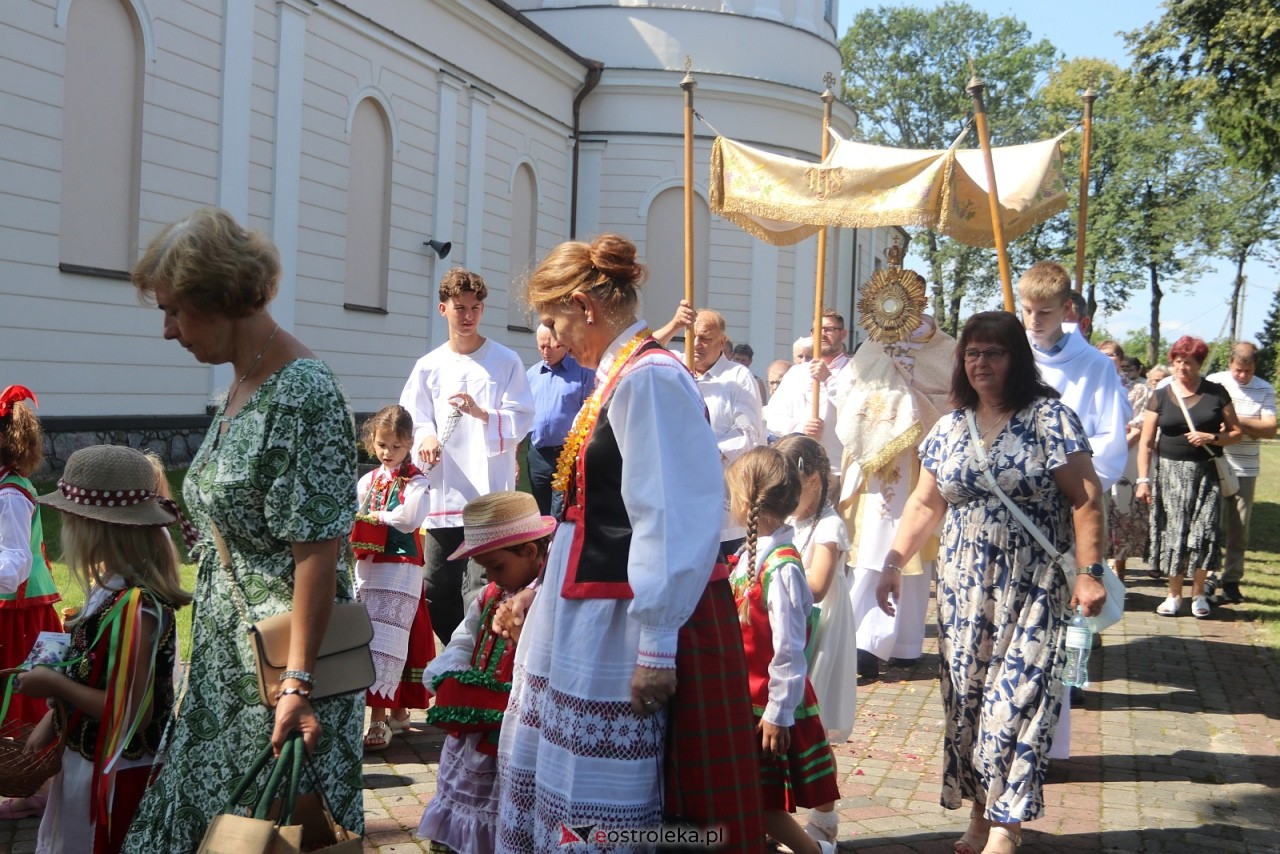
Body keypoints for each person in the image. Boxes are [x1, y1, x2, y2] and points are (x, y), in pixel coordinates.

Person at [497, 234, 764, 851]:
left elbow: (672, 516)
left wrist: (658, 648)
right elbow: (590, 512)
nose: (555, 337)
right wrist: (540, 593)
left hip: (620, 623)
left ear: (587, 305)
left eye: (556, 319)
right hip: (586, 611)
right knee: (562, 778)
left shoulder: (648, 379)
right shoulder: (619, 374)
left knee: (604, 794)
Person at [123, 207, 363, 851]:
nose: (169, 330)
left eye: (174, 311)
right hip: (230, 667)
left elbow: (318, 556)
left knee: (266, 836)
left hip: (280, 676)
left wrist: (297, 688)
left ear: (220, 296)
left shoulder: (302, 392)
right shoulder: (242, 384)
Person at [876, 311, 1107, 854]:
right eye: (972, 353)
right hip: (962, 593)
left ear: (1016, 360)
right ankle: (981, 813)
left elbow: (1087, 498)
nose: (981, 363)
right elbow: (924, 502)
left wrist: (1090, 573)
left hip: (1032, 588)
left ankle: (1007, 826)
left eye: (994, 353)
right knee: (970, 707)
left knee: (1017, 703)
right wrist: (892, 560)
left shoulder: (1051, 420)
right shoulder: (951, 427)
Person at [18, 444, 192, 854]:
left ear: (92, 527)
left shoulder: (136, 608)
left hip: (118, 773)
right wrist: (53, 722)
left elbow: (132, 711)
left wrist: (54, 685)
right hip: (90, 760)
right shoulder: (108, 591)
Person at [400, 269, 534, 642]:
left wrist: (483, 414)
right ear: (443, 309)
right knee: (437, 586)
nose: (468, 315)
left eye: (475, 307)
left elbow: (522, 416)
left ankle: (480, 659)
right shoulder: (429, 366)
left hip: (487, 492)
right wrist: (425, 435)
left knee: (481, 584)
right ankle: (456, 651)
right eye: (460, 308)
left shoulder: (504, 361)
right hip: (445, 491)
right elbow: (413, 415)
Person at [417, 491, 553, 854]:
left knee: (501, 809)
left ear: (529, 550)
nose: (491, 576)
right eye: (485, 568)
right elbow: (463, 640)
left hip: (514, 731)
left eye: (496, 565)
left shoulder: (551, 600)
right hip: (474, 730)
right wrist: (452, 676)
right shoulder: (490, 594)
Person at [725, 446, 839, 854]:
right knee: (756, 797)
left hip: (767, 704)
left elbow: (789, 648)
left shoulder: (783, 568)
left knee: (762, 799)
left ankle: (813, 851)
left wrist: (778, 713)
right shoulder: (752, 557)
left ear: (745, 501)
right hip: (749, 698)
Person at [834, 314, 955, 682]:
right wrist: (886, 397)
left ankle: (906, 644)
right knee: (871, 550)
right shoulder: (872, 345)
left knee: (914, 548)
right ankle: (864, 644)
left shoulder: (946, 348)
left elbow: (952, 398)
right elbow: (847, 392)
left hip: (920, 462)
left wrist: (913, 391)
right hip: (874, 464)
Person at [1137, 336, 1242, 618]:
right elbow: (1147, 442)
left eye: (1189, 362)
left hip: (1206, 474)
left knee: (1204, 532)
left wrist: (1213, 436)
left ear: (1199, 363)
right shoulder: (1160, 394)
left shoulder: (1216, 392)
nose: (1182, 367)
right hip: (1169, 474)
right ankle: (1174, 595)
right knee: (1175, 533)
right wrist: (1143, 480)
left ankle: (1198, 595)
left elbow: (1236, 432)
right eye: (1178, 361)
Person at [352, 404, 433, 751]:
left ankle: (379, 719)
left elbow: (409, 518)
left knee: (388, 638)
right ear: (373, 441)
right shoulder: (368, 480)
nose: (388, 453)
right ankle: (396, 709)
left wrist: (377, 517)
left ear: (410, 443)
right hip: (370, 563)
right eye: (382, 445)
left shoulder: (416, 481)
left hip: (400, 567)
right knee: (370, 635)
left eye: (396, 447)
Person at [0, 385, 63, 821]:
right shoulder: (9, 487)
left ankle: (33, 784)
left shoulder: (8, 494)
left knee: (23, 700)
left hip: (19, 615)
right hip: (17, 611)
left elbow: (15, 565)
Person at [656, 308, 765, 555]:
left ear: (722, 341)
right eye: (690, 336)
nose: (696, 344)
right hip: (677, 489)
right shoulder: (674, 366)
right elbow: (637, 352)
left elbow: (748, 431)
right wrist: (674, 324)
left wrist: (707, 453)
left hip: (720, 489)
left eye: (705, 338)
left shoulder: (738, 377)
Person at [775, 435, 856, 752]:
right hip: (794, 622)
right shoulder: (791, 519)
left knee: (813, 723)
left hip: (821, 628)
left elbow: (819, 587)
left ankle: (824, 801)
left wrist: (773, 581)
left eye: (789, 487)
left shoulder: (829, 526)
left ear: (813, 480)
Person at [1019, 262, 1130, 492]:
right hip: (1021, 484)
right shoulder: (1015, 354)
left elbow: (1110, 435)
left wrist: (1079, 485)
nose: (1033, 321)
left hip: (1075, 486)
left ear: (1066, 308)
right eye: (1027, 310)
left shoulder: (1097, 365)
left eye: (1044, 312)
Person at [1206, 342, 1276, 604]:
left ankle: (1232, 579)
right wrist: (1250, 425)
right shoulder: (1215, 382)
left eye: (1248, 371)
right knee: (1210, 523)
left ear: (1254, 367)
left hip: (1246, 467)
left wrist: (1235, 422)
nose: (1243, 376)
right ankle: (1208, 576)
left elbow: (1270, 429)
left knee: (1239, 527)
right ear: (1230, 364)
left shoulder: (1264, 389)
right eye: (1238, 370)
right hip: (1215, 461)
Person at [766, 310, 851, 477]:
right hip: (799, 467)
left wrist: (828, 380)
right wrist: (801, 427)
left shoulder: (854, 370)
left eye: (829, 329)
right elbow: (773, 417)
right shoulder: (796, 373)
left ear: (843, 334)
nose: (822, 334)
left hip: (837, 468)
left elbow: (856, 411)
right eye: (817, 330)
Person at [524, 324, 594, 517]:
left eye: (551, 346)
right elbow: (522, 414)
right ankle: (542, 546)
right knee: (540, 511)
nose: (545, 352)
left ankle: (557, 546)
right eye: (541, 347)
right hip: (538, 455)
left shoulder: (583, 372)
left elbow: (590, 415)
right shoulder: (531, 375)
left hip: (567, 454)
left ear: (562, 343)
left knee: (560, 510)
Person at [1096, 341, 1150, 581]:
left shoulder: (1137, 389)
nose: (1107, 359)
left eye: (1112, 355)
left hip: (1125, 456)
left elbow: (1139, 425)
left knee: (1122, 509)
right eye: (1102, 355)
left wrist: (1114, 449)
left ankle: (1119, 566)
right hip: (1094, 457)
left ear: (1121, 359)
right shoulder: (1092, 384)